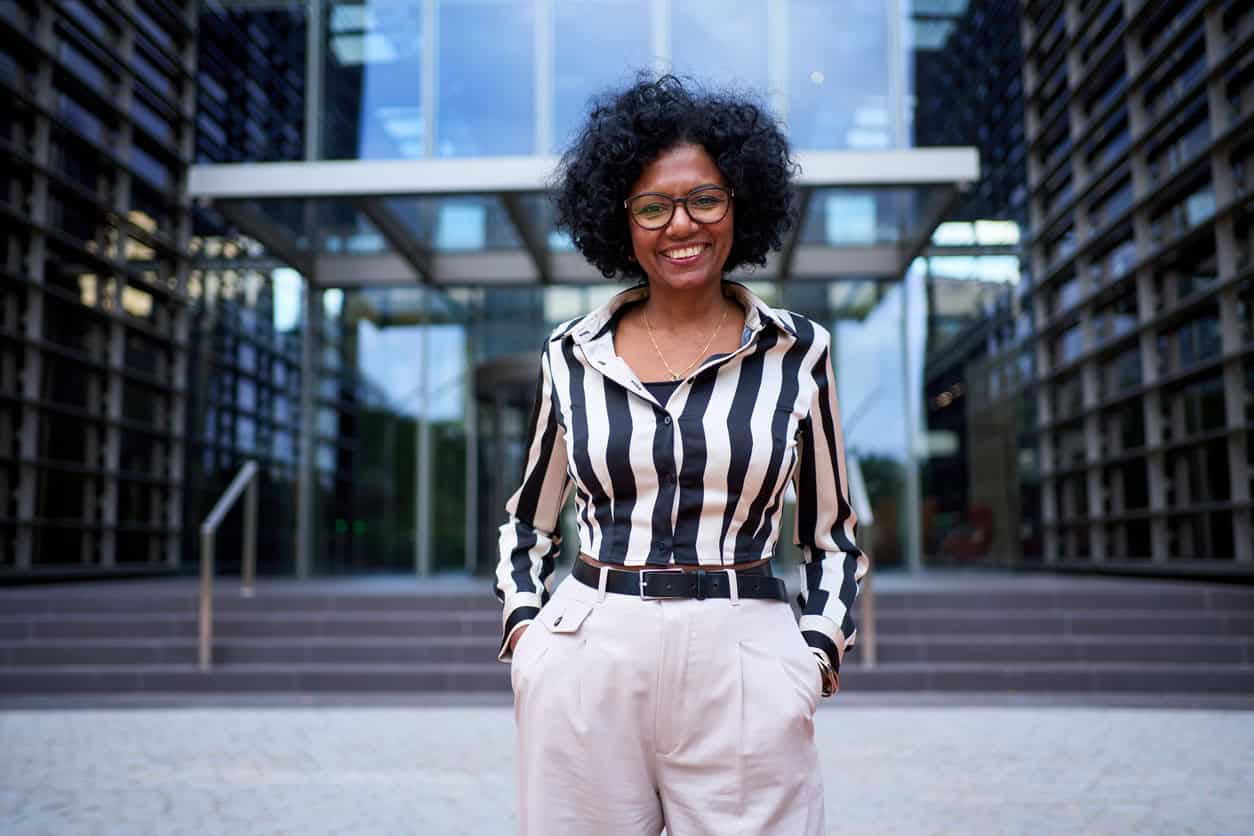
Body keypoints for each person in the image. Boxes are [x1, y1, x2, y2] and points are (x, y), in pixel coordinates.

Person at [493, 75, 868, 836]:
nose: (681, 225)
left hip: (747, 654)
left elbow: (831, 537)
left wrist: (814, 657)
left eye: (704, 198)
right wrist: (530, 638)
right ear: (620, 222)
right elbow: (526, 526)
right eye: (652, 207)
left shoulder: (800, 352)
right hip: (590, 653)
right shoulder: (569, 356)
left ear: (739, 203)